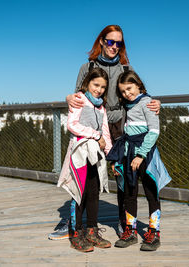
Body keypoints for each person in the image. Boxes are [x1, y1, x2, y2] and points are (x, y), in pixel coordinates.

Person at [48, 24, 161, 240]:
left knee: (123, 177)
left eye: (119, 43)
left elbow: (139, 94)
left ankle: (123, 221)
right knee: (84, 175)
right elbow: (78, 97)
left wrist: (157, 102)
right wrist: (68, 98)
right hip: (92, 126)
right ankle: (74, 223)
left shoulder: (127, 69)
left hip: (120, 128)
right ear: (102, 41)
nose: (114, 46)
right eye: (110, 41)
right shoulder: (87, 67)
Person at [107, 70, 171, 251]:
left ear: (139, 85)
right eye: (123, 91)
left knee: (151, 192)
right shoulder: (126, 105)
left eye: (129, 88)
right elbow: (125, 134)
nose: (127, 93)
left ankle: (154, 232)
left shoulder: (147, 103)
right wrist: (119, 160)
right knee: (129, 193)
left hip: (145, 154)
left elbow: (154, 131)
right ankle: (131, 231)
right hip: (129, 154)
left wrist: (140, 155)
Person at [57, 67, 113, 252]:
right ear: (88, 83)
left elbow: (105, 131)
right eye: (96, 85)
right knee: (78, 192)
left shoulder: (101, 107)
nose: (99, 89)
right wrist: (95, 135)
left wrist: (109, 152)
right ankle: (76, 232)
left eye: (103, 87)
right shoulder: (80, 99)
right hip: (79, 155)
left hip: (95, 155)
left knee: (93, 192)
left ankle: (91, 230)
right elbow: (72, 125)